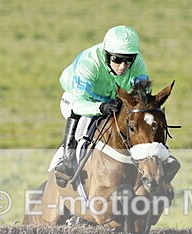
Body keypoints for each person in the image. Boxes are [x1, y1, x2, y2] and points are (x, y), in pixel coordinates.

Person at [53, 25, 151, 186]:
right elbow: (78, 104)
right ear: (106, 54)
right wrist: (100, 108)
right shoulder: (89, 63)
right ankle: (66, 160)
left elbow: (142, 93)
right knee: (83, 120)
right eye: (117, 59)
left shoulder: (137, 61)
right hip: (79, 99)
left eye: (129, 60)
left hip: (112, 98)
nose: (123, 67)